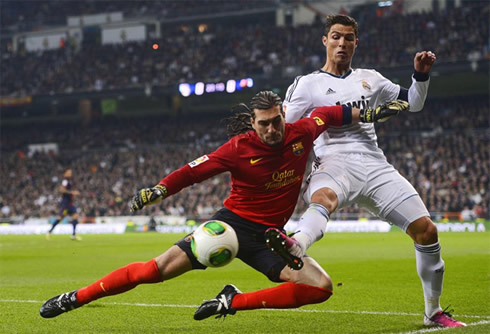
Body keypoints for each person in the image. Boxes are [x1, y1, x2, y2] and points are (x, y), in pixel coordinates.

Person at [39, 90, 404, 320]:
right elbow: (191, 172)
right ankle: (75, 298)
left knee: (319, 287)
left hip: (271, 237)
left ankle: (232, 302)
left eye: (277, 120)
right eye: (265, 124)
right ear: (253, 123)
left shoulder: (301, 132)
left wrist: (369, 114)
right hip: (230, 225)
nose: (273, 129)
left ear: (282, 115)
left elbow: (331, 113)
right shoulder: (238, 148)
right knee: (153, 271)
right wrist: (158, 190)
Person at [266, 14, 465, 328]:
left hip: (374, 165)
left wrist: (420, 76)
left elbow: (412, 103)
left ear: (356, 43)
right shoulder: (307, 84)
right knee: (324, 197)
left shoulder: (371, 78)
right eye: (335, 36)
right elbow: (286, 129)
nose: (342, 43)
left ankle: (433, 312)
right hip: (333, 161)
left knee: (427, 232)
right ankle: (296, 245)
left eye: (348, 38)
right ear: (325, 41)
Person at [46, 168, 82, 241]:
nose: (70, 173)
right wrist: (72, 192)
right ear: (65, 173)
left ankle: (73, 235)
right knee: (60, 218)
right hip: (65, 204)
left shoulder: (69, 181)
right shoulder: (65, 181)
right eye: (69, 172)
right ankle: (49, 232)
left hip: (70, 204)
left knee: (75, 216)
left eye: (70, 172)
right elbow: (61, 190)